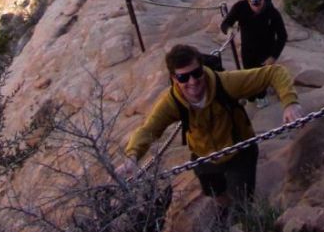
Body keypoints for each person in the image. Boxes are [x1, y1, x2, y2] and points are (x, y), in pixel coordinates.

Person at [118, 43, 303, 217]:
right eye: (183, 77)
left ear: (202, 68)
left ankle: (243, 225)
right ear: (174, 78)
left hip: (239, 151)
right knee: (215, 193)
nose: (192, 81)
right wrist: (133, 154)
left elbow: (274, 72)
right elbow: (149, 129)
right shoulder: (172, 102)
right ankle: (224, 209)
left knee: (242, 203)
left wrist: (290, 103)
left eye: (196, 73)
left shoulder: (224, 83)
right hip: (204, 156)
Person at [221, 0, 288, 104]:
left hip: (266, 51)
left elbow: (282, 36)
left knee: (261, 78)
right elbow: (225, 23)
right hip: (248, 49)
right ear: (248, 0)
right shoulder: (240, 7)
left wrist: (273, 56)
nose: (256, 7)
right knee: (248, 75)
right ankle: (251, 97)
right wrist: (229, 29)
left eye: (259, 3)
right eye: (253, 4)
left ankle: (262, 96)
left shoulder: (272, 12)